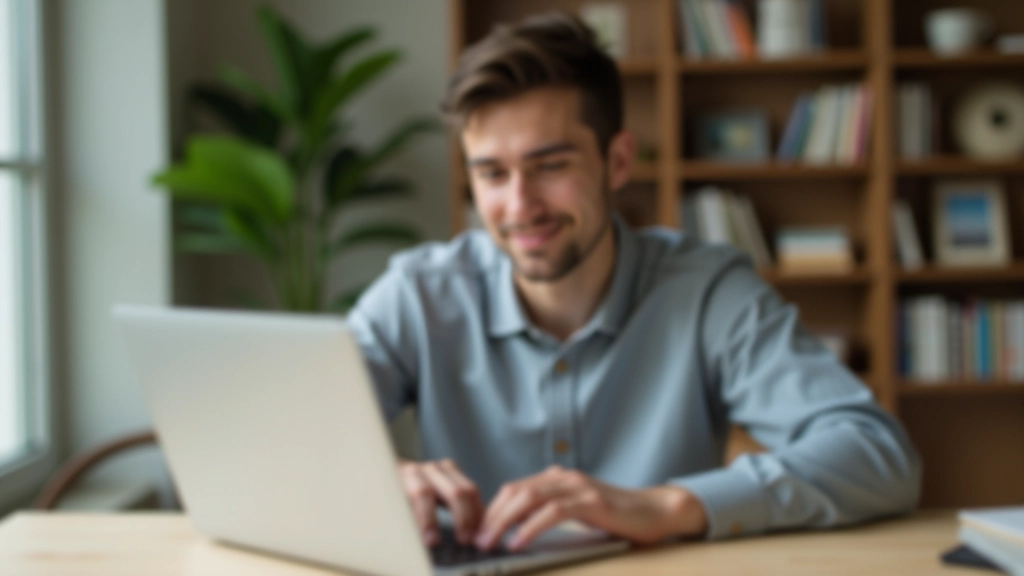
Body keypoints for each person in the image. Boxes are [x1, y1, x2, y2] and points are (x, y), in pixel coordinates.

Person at [347, 12, 920, 554]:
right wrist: (380, 480)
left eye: (550, 166)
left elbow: (878, 456)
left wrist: (670, 505)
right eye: (492, 173)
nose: (519, 205)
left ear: (618, 161)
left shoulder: (708, 292)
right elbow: (276, 439)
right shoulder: (419, 295)